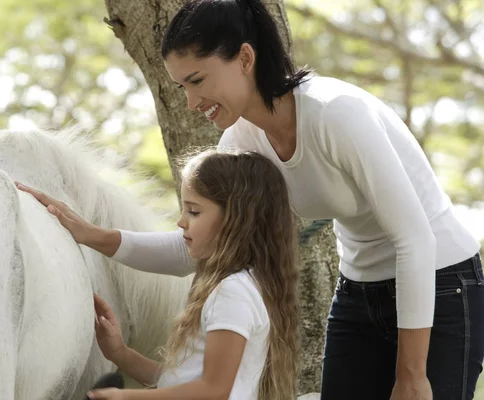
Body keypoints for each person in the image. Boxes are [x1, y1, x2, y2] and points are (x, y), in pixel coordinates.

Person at [19, 0, 484, 399]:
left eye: (197, 80)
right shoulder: (240, 141)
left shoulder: (336, 114)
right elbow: (202, 247)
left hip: (441, 282)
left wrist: (411, 376)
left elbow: (414, 239)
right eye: (182, 86)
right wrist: (91, 235)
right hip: (359, 288)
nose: (190, 101)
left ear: (244, 58)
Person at [20, 149, 301, 399]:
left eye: (193, 211)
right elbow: (184, 382)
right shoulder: (240, 288)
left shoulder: (234, 293)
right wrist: (120, 353)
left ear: (236, 221)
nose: (180, 222)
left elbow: (213, 391)